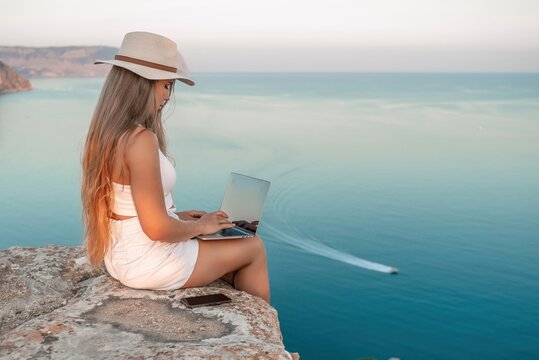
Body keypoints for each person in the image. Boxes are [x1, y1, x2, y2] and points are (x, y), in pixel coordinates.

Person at [81, 31, 270, 302]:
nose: (168, 95)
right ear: (143, 85)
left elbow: (128, 208)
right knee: (253, 247)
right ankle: (262, 338)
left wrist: (177, 217)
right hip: (149, 261)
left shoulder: (108, 133)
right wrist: (201, 227)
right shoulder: (140, 140)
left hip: (123, 257)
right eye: (166, 85)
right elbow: (157, 229)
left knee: (228, 250)